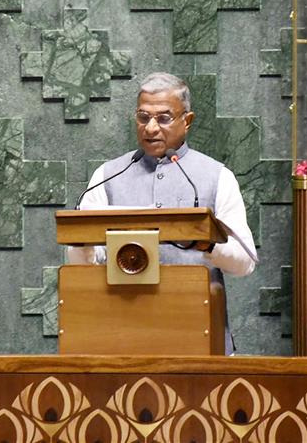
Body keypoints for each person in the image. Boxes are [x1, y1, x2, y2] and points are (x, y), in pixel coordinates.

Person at [68, 72, 257, 353]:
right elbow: (81, 265)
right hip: (121, 338)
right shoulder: (107, 175)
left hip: (199, 338)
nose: (151, 128)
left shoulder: (217, 176)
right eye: (143, 118)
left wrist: (207, 245)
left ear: (187, 121)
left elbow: (245, 263)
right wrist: (82, 245)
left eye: (164, 118)